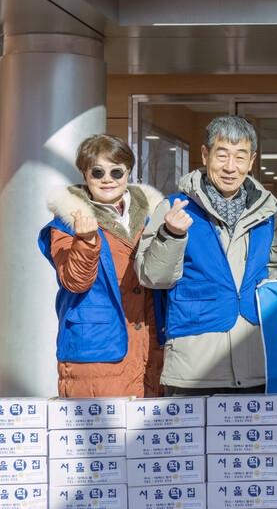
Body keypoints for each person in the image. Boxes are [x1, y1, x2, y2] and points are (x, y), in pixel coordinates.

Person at [135, 115, 277, 395]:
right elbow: (152, 276)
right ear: (205, 155)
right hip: (195, 365)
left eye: (240, 157)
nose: (231, 167)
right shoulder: (174, 208)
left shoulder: (267, 213)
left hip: (258, 359)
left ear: (251, 161)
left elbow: (275, 268)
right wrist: (172, 234)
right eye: (222, 155)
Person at [38, 134, 165, 397]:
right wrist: (85, 240)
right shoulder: (67, 220)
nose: (108, 179)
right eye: (97, 172)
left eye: (116, 171)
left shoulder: (155, 215)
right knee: (98, 437)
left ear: (128, 172)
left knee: (147, 435)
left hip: (151, 345)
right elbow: (74, 281)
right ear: (85, 174)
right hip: (96, 351)